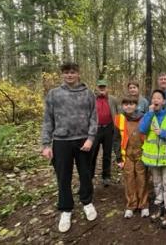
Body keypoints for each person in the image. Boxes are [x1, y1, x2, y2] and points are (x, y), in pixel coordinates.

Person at [41, 62, 97, 233]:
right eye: (66, 73)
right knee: (63, 176)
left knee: (85, 173)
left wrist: (90, 138)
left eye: (72, 72)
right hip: (61, 141)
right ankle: (66, 209)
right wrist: (45, 144)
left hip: (83, 141)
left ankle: (87, 202)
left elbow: (94, 118)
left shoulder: (88, 94)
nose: (69, 75)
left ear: (78, 73)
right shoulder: (54, 94)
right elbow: (47, 120)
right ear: (62, 75)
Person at [139, 89, 166, 227]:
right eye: (154, 98)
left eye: (159, 98)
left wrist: (163, 133)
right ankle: (158, 206)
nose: (156, 100)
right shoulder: (149, 115)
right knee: (157, 183)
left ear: (164, 102)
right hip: (152, 158)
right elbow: (142, 129)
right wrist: (149, 113)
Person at [114, 95, 149, 219]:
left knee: (142, 178)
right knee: (129, 179)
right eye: (126, 104)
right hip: (127, 155)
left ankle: (144, 204)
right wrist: (119, 158)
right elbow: (116, 139)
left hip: (141, 153)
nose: (128, 106)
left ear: (136, 105)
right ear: (122, 106)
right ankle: (131, 205)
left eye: (131, 104)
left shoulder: (143, 118)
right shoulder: (119, 119)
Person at [90, 79, 119, 187]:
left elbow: (118, 113)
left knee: (107, 154)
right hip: (95, 129)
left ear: (107, 88)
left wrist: (117, 129)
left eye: (104, 87)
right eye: (100, 87)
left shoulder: (113, 99)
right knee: (92, 154)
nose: (102, 89)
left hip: (109, 129)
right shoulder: (92, 99)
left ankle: (106, 177)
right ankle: (90, 176)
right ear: (96, 88)